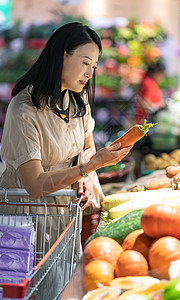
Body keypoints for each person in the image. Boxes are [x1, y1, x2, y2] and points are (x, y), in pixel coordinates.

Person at [0, 22, 133, 249]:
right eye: (85, 63)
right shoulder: (24, 109)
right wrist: (89, 167)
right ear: (62, 56)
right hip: (26, 222)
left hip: (63, 217)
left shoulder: (75, 101)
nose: (90, 73)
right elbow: (34, 184)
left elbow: (87, 146)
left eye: (94, 66)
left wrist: (85, 173)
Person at [134, 60, 166, 124]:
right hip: (145, 121)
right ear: (157, 73)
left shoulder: (151, 82)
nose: (164, 77)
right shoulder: (148, 83)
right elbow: (145, 103)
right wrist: (157, 107)